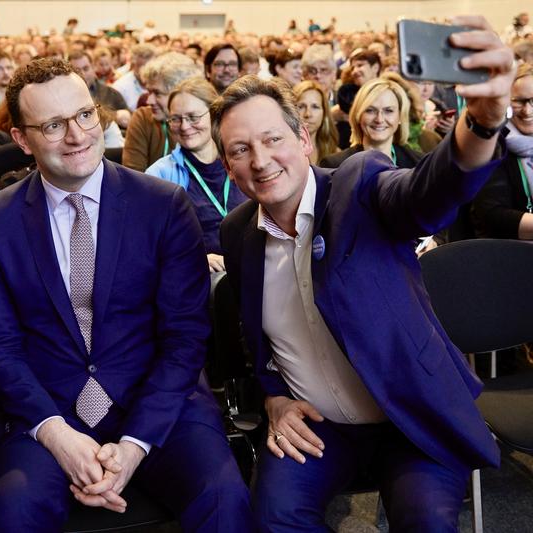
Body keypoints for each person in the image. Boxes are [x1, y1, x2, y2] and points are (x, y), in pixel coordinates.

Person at [214, 15, 513, 532]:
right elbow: (251, 338)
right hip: (318, 429)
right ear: (227, 163)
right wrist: (273, 396)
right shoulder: (237, 232)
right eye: (240, 150)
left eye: (272, 140)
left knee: (425, 522)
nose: (260, 161)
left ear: (304, 139)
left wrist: (481, 122)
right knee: (273, 519)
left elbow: (427, 195)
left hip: (409, 418)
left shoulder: (359, 184)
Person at [0, 58, 253, 532]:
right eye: (54, 125)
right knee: (13, 512)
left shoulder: (163, 206)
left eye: (85, 115)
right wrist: (57, 435)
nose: (78, 135)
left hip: (159, 402)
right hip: (45, 411)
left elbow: (184, 339)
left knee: (224, 498)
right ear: (21, 139)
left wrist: (134, 443)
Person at [146, 77, 247, 271]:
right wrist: (197, 258)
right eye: (176, 119)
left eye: (193, 117)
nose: (184, 127)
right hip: (199, 277)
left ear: (214, 115)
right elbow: (151, 244)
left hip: (251, 268)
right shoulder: (159, 175)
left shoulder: (240, 159)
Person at [473, 63, 533, 239]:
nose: (527, 110)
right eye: (519, 101)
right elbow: (492, 215)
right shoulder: (492, 145)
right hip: (509, 253)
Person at [122, 52, 200, 171]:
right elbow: (133, 176)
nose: (149, 100)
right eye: (149, 92)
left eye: (157, 93)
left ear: (181, 93)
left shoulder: (203, 122)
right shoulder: (143, 118)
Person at [320, 77, 422, 169]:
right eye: (370, 110)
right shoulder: (334, 165)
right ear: (358, 115)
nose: (379, 119)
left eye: (388, 111)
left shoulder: (419, 164)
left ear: (400, 116)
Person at [68, 50, 131, 128]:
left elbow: (129, 120)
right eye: (77, 71)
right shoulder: (64, 98)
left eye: (86, 68)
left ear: (93, 67)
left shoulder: (111, 93)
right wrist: (112, 115)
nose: (83, 74)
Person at [293, 81, 339, 165]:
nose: (308, 114)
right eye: (301, 107)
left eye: (315, 107)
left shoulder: (337, 154)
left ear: (324, 113)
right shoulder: (282, 152)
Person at [112, 44, 156, 110]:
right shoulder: (120, 87)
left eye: (152, 67)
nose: (148, 72)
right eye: (144, 67)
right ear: (133, 64)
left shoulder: (159, 84)